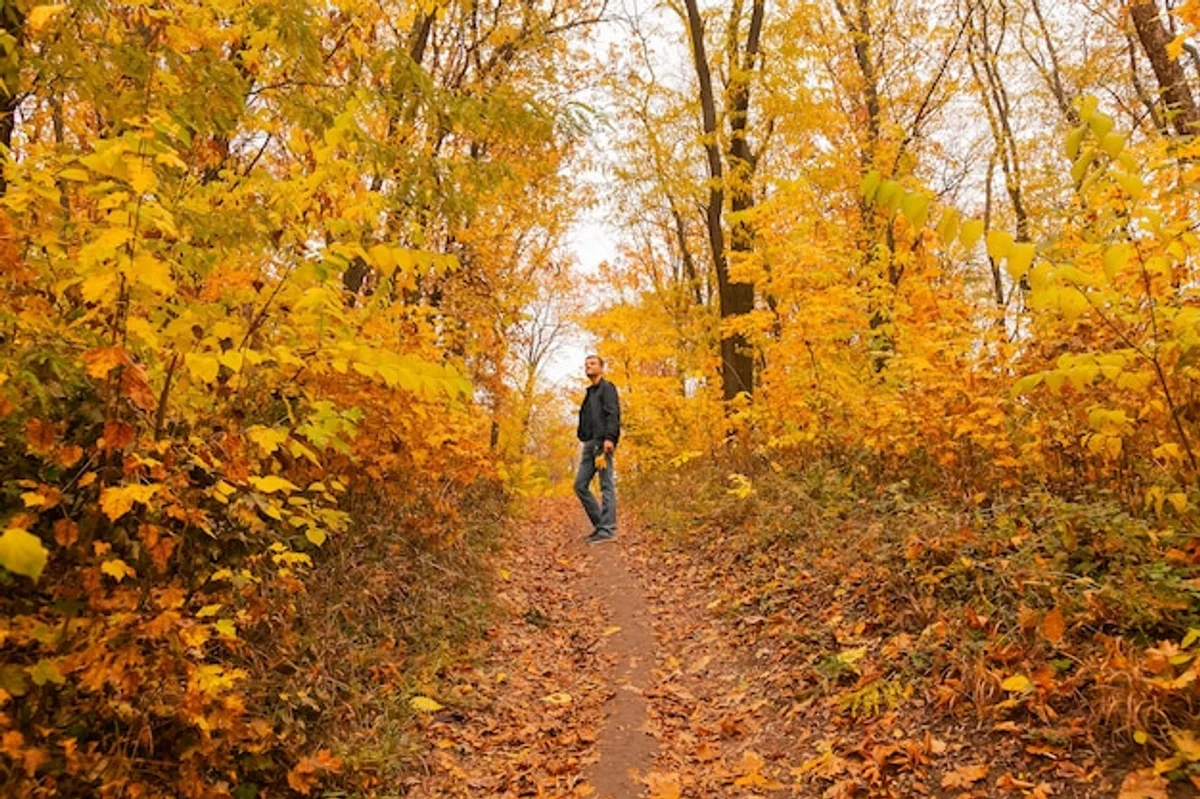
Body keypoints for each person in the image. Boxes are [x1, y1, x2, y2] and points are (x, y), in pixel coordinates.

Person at [574, 354, 620, 544]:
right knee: (580, 485)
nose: (588, 367)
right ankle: (601, 525)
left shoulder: (607, 388)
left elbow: (613, 413)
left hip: (602, 444)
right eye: (586, 365)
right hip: (589, 444)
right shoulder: (590, 392)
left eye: (592, 364)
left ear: (602, 368)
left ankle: (607, 530)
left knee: (606, 485)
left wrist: (610, 438)